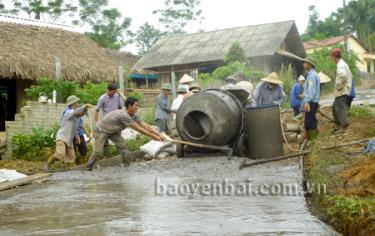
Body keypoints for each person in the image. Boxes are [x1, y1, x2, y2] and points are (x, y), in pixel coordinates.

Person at [87, 97, 163, 171]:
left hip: (113, 131)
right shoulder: (124, 115)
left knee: (123, 145)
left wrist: (159, 134)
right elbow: (139, 129)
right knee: (98, 152)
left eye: (137, 105)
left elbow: (145, 125)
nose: (137, 107)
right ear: (129, 106)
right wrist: (153, 136)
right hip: (101, 131)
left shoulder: (133, 115)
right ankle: (88, 167)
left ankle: (128, 166)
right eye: (135, 105)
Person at [45, 95, 90, 171]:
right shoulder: (68, 112)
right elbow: (77, 112)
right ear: (73, 103)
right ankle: (48, 163)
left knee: (72, 157)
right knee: (60, 154)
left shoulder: (75, 116)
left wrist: (77, 137)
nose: (77, 103)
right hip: (62, 137)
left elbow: (74, 128)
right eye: (76, 102)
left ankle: (67, 169)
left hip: (68, 139)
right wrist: (85, 106)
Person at [331, 48, 352, 134]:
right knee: (335, 109)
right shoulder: (342, 64)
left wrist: (338, 86)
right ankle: (338, 126)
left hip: (342, 90)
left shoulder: (341, 65)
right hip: (342, 90)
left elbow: (343, 76)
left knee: (340, 109)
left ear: (333, 57)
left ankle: (344, 128)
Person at [302, 57, 320, 140]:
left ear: (309, 65)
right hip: (311, 101)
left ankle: (314, 142)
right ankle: (311, 141)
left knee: (310, 122)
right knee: (308, 122)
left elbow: (311, 91)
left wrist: (307, 102)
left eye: (305, 63)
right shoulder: (311, 75)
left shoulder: (312, 76)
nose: (303, 65)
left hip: (311, 102)